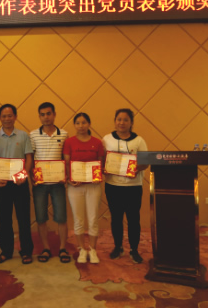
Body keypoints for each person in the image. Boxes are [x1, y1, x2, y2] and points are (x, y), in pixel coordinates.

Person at [0, 104, 34, 265]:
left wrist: (23, 175)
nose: (7, 119)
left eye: (10, 115)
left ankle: (26, 251)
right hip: (1, 184)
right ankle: (6, 251)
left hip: (20, 183)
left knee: (24, 218)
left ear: (15, 117)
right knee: (4, 219)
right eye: (4, 116)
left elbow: (29, 158)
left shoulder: (23, 136)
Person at [102, 108, 148, 264]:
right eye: (119, 119)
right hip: (113, 186)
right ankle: (118, 247)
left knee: (133, 219)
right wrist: (102, 168)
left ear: (131, 123)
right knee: (116, 218)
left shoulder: (139, 141)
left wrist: (136, 168)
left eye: (125, 120)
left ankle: (134, 250)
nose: (122, 123)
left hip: (133, 186)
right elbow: (102, 159)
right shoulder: (107, 139)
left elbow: (145, 163)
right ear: (115, 121)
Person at [29, 102, 71, 263]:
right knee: (41, 218)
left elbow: (66, 159)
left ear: (54, 114)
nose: (46, 117)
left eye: (48, 113)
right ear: (39, 116)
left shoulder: (64, 134)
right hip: (39, 184)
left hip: (57, 183)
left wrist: (66, 175)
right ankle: (46, 248)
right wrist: (31, 177)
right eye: (42, 114)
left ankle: (62, 248)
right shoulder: (33, 135)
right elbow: (30, 158)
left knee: (61, 217)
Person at [63, 113, 105, 264]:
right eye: (78, 123)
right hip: (75, 187)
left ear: (89, 124)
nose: (81, 126)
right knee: (78, 219)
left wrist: (97, 175)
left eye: (84, 122)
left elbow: (100, 163)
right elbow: (67, 164)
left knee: (93, 219)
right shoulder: (69, 142)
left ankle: (92, 249)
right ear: (74, 125)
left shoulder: (97, 142)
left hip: (93, 186)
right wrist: (70, 178)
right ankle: (81, 249)